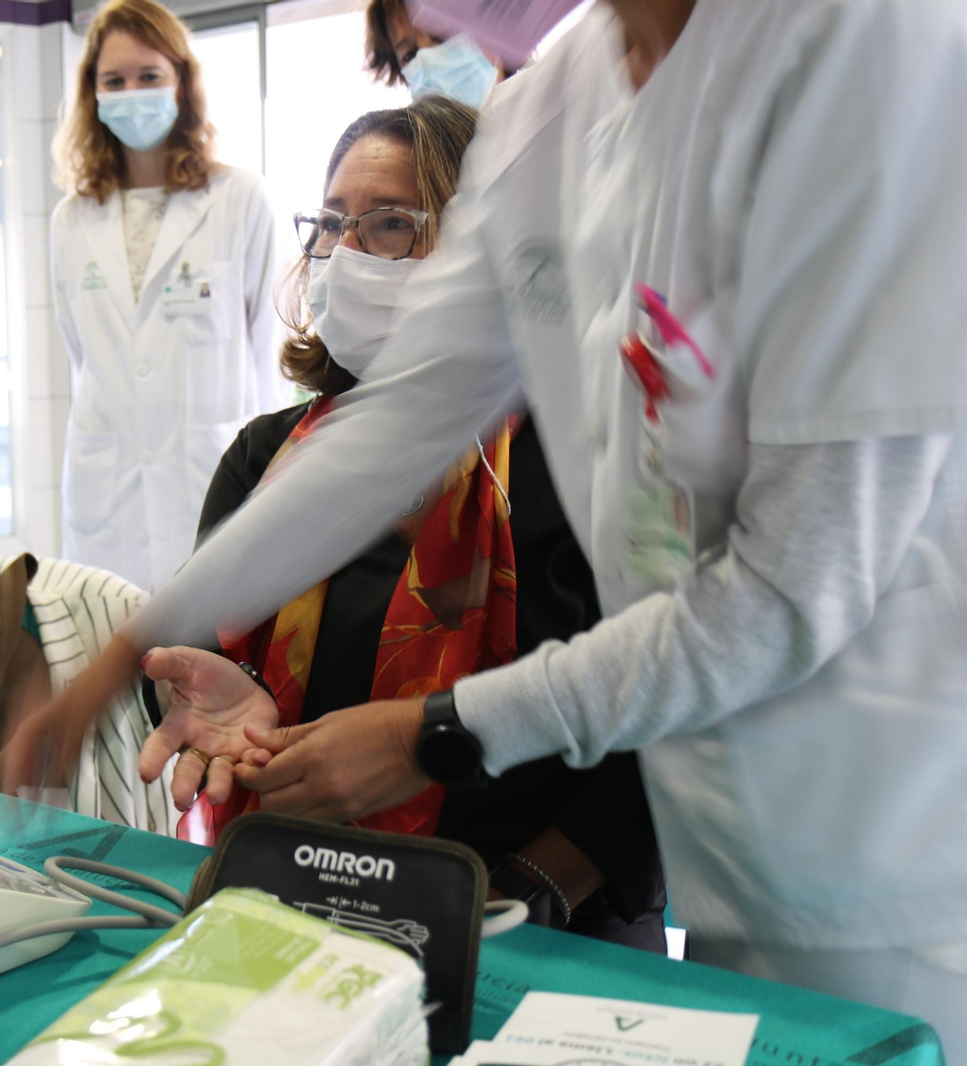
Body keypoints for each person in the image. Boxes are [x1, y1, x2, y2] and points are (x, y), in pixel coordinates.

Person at [7, 0, 967, 1049]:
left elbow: (789, 591)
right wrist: (137, 640)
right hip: (728, 827)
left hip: (893, 842)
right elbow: (406, 412)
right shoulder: (554, 102)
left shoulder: (864, 44)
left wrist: (438, 734)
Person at [142, 98, 665, 949]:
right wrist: (193, 698)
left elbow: (657, 729)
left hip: (538, 926)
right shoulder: (267, 459)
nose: (346, 256)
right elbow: (184, 658)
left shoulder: (582, 464)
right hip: (290, 902)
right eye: (331, 226)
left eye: (389, 226)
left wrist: (522, 894)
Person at [50, 0, 285, 592]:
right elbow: (84, 355)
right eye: (114, 81)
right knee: (113, 662)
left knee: (208, 663)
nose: (132, 92)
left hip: (210, 480)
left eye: (149, 76)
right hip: (109, 495)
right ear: (92, 94)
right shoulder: (72, 219)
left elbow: (269, 353)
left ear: (181, 81)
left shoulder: (240, 200)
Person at [364, 0, 504, 108]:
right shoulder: (419, 144)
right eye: (410, 54)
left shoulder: (525, 102)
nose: (427, 58)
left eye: (441, 36)